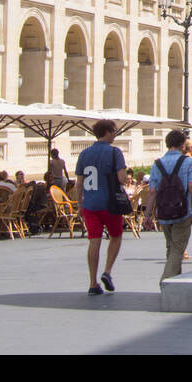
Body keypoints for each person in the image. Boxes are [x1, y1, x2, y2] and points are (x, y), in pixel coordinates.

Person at [74, 120, 127, 296]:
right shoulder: (115, 152)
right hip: (109, 203)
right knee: (116, 237)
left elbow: (79, 183)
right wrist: (124, 176)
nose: (115, 134)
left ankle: (92, 282)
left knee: (94, 241)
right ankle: (107, 271)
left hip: (90, 204)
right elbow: (121, 178)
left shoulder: (84, 153)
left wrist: (79, 204)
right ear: (107, 132)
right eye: (114, 131)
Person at [149, 128, 192, 283]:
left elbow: (152, 191)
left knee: (171, 248)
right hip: (181, 211)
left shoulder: (157, 164)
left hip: (163, 212)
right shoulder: (187, 162)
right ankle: (166, 281)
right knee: (178, 249)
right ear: (181, 144)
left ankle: (175, 283)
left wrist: (147, 214)